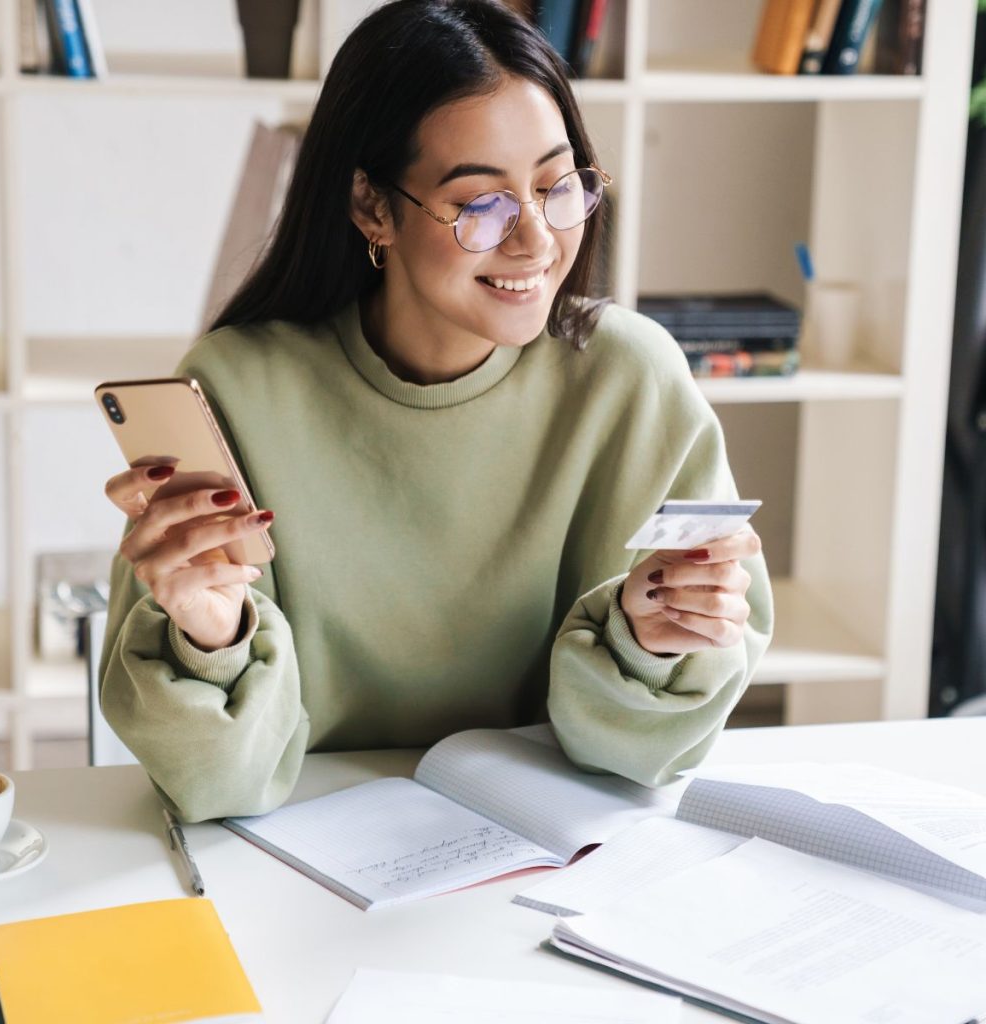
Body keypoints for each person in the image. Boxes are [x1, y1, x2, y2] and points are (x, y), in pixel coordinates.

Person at [99, 0, 773, 823]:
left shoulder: (632, 381)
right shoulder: (239, 387)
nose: (535, 240)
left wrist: (654, 641)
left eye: (558, 187)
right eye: (481, 204)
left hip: (553, 854)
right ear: (371, 207)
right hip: (298, 858)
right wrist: (210, 636)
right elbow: (219, 786)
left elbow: (637, 764)